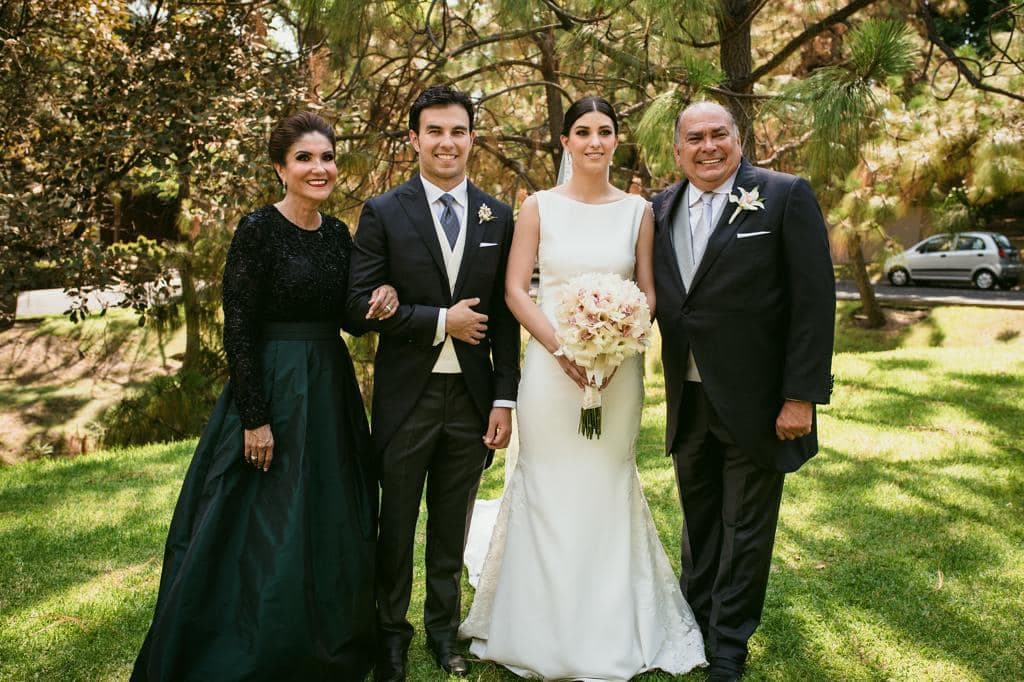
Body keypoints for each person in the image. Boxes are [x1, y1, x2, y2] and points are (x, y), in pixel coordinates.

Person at [131, 111, 399, 681]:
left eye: (326, 157)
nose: (318, 167)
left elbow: (349, 319)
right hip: (272, 386)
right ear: (281, 168)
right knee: (262, 523)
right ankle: (249, 641)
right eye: (304, 158)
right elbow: (239, 326)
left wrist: (380, 300)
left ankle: (322, 639)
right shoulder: (257, 229)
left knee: (330, 517)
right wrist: (255, 417)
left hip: (328, 389)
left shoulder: (336, 234)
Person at [459, 96, 707, 680]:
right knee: (547, 484)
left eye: (604, 131)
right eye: (582, 132)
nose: (594, 141)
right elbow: (518, 291)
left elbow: (647, 290)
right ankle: (540, 623)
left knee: (605, 482)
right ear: (565, 142)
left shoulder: (638, 212)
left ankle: (612, 622)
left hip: (618, 372)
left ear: (615, 140)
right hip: (550, 372)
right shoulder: (538, 207)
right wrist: (565, 349)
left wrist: (620, 344)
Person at [651, 101, 835, 682]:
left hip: (760, 401)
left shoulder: (783, 196)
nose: (708, 147)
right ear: (677, 150)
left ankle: (728, 647)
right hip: (689, 395)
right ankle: (694, 627)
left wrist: (801, 396)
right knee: (699, 520)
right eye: (695, 138)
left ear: (739, 138)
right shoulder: (657, 210)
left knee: (746, 527)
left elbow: (814, 302)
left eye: (719, 135)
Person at [346, 85, 519, 681]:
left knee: (452, 526)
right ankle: (390, 635)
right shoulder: (384, 211)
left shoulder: (499, 214)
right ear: (415, 138)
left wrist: (503, 397)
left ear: (472, 138)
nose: (447, 143)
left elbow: (503, 315)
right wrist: (440, 320)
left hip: (472, 403)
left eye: (458, 132)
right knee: (394, 527)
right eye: (435, 132)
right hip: (406, 398)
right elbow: (357, 305)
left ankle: (444, 633)